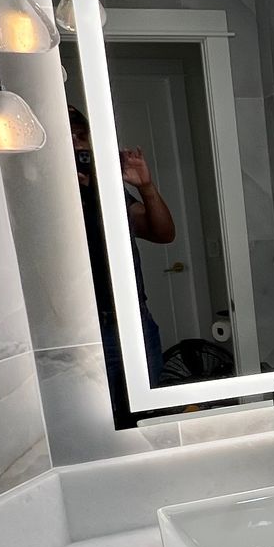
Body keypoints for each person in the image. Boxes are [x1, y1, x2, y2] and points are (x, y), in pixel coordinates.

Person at [71, 108, 174, 384]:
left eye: (81, 136)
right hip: (77, 330)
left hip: (133, 320)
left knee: (147, 412)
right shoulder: (43, 193)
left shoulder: (108, 193)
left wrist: (146, 186)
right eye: (67, 138)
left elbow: (163, 233)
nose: (77, 145)